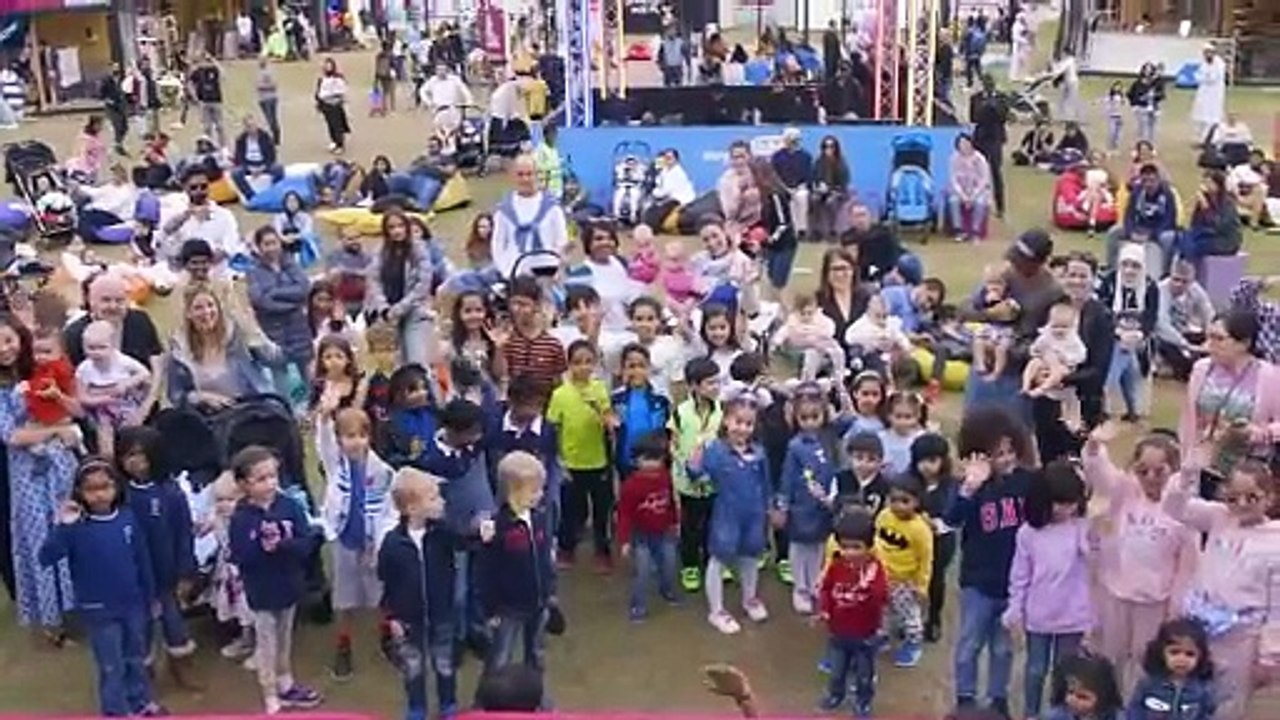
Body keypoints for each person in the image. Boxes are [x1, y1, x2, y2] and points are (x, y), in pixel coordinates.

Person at [38, 458, 164, 717]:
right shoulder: (76, 528)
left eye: (105, 486)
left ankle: (140, 703)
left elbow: (142, 560)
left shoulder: (127, 519)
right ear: (79, 493)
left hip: (133, 605)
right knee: (111, 665)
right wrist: (62, 526)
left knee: (135, 657)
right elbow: (46, 557)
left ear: (116, 487)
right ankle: (115, 711)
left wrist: (150, 597)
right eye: (91, 489)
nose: (99, 494)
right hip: (98, 610)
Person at [1081, 425, 1199, 692]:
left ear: (1173, 470)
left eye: (1160, 471)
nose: (1150, 477)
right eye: (1143, 470)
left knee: (1146, 661)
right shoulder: (1125, 492)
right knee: (1111, 656)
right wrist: (1094, 447)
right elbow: (1102, 476)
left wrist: (1176, 608)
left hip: (1154, 601)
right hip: (1116, 592)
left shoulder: (1183, 510)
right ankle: (1107, 705)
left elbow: (1187, 568)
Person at [1162, 456, 1279, 720]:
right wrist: (1188, 473)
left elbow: (1277, 607)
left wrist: (1269, 655)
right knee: (1190, 694)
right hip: (1200, 628)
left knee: (1228, 702)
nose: (1241, 504)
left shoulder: (1276, 540)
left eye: (1252, 497)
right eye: (1233, 497)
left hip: (1241, 637)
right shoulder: (1217, 517)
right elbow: (1173, 507)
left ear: (1269, 498)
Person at [946, 407, 1034, 716]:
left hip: (1015, 582)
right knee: (969, 644)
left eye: (1010, 451)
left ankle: (998, 699)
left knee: (1003, 648)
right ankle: (965, 697)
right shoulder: (970, 487)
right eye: (997, 454)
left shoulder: (1028, 482)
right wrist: (970, 487)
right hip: (978, 582)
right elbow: (951, 518)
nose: (1006, 459)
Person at [228, 446, 324, 714]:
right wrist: (262, 544)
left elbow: (308, 543)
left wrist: (283, 544)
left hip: (289, 586)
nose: (270, 483)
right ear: (244, 484)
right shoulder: (241, 518)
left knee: (285, 640)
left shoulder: (289, 505)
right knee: (267, 644)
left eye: (273, 476)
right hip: (261, 592)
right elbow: (240, 556)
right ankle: (269, 692)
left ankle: (286, 683)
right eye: (261, 479)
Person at [1003, 462, 1092, 720]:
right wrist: (1015, 607)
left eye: (1072, 503)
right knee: (1035, 669)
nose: (1066, 510)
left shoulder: (1080, 528)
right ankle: (1030, 713)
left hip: (1072, 616)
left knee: (1065, 672)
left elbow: (1094, 555)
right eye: (1059, 503)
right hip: (1038, 615)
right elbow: (1020, 575)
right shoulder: (1028, 534)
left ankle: (1061, 713)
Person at [316, 395, 394, 681]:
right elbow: (322, 442)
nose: (356, 442)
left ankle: (387, 635)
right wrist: (324, 418)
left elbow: (389, 511)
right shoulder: (336, 466)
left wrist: (381, 540)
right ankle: (343, 644)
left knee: (380, 592)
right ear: (338, 439)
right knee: (345, 596)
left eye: (362, 435)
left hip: (373, 542)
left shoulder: (383, 471)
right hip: (345, 540)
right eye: (349, 436)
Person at [378, 468, 457, 720]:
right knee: (413, 667)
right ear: (411, 508)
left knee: (444, 663)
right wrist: (391, 617)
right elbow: (386, 580)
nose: (441, 502)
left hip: (442, 612)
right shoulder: (391, 544)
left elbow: (466, 541)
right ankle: (417, 708)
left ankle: (448, 703)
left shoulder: (443, 533)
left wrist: (483, 531)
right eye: (433, 498)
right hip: (408, 619)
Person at [688, 393, 771, 635]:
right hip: (727, 514)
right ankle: (717, 610)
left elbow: (766, 483)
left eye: (748, 423)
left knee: (751, 556)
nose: (742, 428)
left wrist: (772, 507)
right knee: (719, 557)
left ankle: (750, 598)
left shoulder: (759, 452)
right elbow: (697, 475)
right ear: (726, 421)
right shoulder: (716, 450)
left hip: (754, 515)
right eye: (738, 421)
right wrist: (694, 460)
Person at [478, 451, 558, 684]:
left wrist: (550, 591)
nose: (540, 494)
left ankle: (537, 698)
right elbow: (487, 572)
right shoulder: (499, 527)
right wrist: (490, 609)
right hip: (508, 607)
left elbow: (545, 557)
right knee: (499, 657)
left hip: (538, 600)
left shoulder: (540, 517)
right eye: (534, 490)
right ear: (513, 491)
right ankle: (486, 701)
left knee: (537, 654)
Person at [817, 509, 888, 717]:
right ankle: (835, 695)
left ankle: (863, 702)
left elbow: (882, 597)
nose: (850, 552)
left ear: (869, 546)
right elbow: (826, 589)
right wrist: (824, 610)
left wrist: (869, 586)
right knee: (837, 671)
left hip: (866, 634)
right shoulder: (837, 566)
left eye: (856, 547)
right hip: (838, 631)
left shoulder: (875, 569)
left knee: (865, 674)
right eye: (845, 547)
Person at [165, 286, 274, 412]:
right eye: (198, 308)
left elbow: (273, 359)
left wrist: (252, 329)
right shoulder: (180, 351)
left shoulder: (237, 339)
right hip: (211, 416)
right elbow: (175, 395)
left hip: (251, 407)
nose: (206, 312)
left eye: (210, 305)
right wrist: (200, 397)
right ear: (188, 314)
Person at [616, 431, 680, 620]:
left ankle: (667, 590)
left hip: (665, 532)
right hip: (640, 535)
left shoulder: (666, 477)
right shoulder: (630, 485)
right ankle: (638, 605)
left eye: (657, 458)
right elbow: (624, 514)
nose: (652, 463)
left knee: (669, 564)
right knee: (642, 572)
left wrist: (675, 522)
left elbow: (671, 503)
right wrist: (624, 540)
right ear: (636, 460)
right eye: (647, 458)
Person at [246, 227, 312, 407]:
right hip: (273, 331)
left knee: (307, 373)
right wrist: (291, 301)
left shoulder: (292, 265)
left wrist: (274, 293)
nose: (271, 248)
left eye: (274, 242)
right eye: (266, 244)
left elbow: (304, 289)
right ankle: (287, 409)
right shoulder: (253, 272)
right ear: (259, 247)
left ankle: (310, 408)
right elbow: (260, 300)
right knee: (280, 375)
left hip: (298, 329)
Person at [874, 475, 933, 669]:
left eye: (905, 501)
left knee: (909, 615)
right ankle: (882, 637)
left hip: (906, 581)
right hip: (881, 575)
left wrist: (921, 585)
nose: (899, 506)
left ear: (917, 501)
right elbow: (875, 541)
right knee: (881, 610)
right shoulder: (883, 516)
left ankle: (914, 643)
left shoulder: (920, 530)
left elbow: (925, 559)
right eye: (894, 500)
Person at [365, 211, 435, 368]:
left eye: (400, 226)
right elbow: (373, 280)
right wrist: (383, 307)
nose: (397, 231)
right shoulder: (380, 251)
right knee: (397, 366)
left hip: (413, 311)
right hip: (387, 315)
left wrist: (400, 308)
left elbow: (423, 285)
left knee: (416, 362)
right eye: (391, 227)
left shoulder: (418, 250)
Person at [75, 320, 151, 459]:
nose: (96, 353)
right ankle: (108, 461)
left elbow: (145, 374)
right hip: (101, 409)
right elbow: (82, 397)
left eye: (102, 347)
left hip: (125, 404)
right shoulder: (84, 369)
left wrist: (127, 383)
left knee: (130, 434)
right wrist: (101, 399)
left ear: (113, 346)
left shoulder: (122, 361)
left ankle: (131, 459)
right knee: (104, 433)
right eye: (91, 348)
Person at [490, 155, 569, 278]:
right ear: (513, 176)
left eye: (529, 174)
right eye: (520, 174)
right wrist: (505, 270)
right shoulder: (504, 210)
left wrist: (559, 266)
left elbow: (561, 239)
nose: (525, 179)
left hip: (549, 269)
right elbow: (497, 243)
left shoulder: (552, 206)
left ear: (537, 175)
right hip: (516, 271)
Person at [1126, 618, 1217, 720]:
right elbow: (1134, 710)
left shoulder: (1202, 689)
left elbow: (1206, 715)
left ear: (1200, 657)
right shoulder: (1149, 683)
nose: (1182, 659)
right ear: (1161, 652)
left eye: (1190, 654)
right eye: (1174, 652)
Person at [160, 165, 245, 273]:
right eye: (194, 187)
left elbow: (231, 245)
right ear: (184, 187)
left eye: (203, 186)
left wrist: (209, 259)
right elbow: (163, 244)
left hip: (216, 271)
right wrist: (184, 217)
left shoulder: (224, 215)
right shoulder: (173, 213)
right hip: (182, 272)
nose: (199, 191)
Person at [1107, 163, 1179, 274]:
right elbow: (1128, 215)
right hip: (1140, 227)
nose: (1149, 184)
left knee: (1168, 238)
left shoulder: (1167, 194)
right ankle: (1111, 269)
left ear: (1158, 180)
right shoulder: (1137, 192)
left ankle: (1165, 272)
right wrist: (1131, 232)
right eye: (1145, 181)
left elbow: (1169, 219)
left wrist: (1151, 235)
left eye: (1152, 181)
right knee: (1114, 232)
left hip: (1159, 230)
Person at [1156, 260, 1213, 381]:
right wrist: (1187, 346)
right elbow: (1162, 325)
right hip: (1162, 337)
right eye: (1176, 279)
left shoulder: (1195, 289)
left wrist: (1210, 337)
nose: (1179, 284)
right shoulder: (1160, 291)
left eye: (1184, 281)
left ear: (1191, 281)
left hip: (1184, 332)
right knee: (1184, 367)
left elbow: (1208, 313)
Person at [1181, 169, 1242, 262]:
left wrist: (1206, 208)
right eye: (1204, 182)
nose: (1206, 186)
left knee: (1197, 246)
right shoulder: (1205, 199)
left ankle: (1188, 267)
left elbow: (1220, 225)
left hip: (1226, 240)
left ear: (1218, 185)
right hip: (1209, 234)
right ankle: (1183, 266)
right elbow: (1195, 223)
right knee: (1185, 237)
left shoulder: (1227, 203)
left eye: (1209, 183)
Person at [969, 75, 1009, 217]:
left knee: (996, 172)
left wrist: (993, 105)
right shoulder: (976, 98)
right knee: (976, 172)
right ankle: (976, 202)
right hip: (980, 138)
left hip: (995, 138)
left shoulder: (1002, 98)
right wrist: (985, 106)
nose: (988, 86)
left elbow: (1003, 117)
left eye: (990, 83)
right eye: (986, 83)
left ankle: (1000, 207)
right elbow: (973, 117)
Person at [1042, 654, 1125, 720]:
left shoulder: (1117, 717)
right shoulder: (1057, 715)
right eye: (1070, 692)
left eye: (1082, 697)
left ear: (1102, 698)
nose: (1073, 699)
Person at [948, 134, 993, 243]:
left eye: (966, 143)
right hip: (961, 191)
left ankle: (975, 232)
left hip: (978, 191)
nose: (963, 146)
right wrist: (963, 195)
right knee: (953, 201)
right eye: (961, 144)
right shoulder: (954, 158)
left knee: (980, 202)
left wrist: (973, 196)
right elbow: (953, 179)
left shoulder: (980, 159)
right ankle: (959, 231)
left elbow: (984, 180)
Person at [771, 127, 812, 241]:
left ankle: (801, 230)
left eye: (795, 139)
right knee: (783, 198)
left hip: (800, 187)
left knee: (802, 197)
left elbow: (808, 176)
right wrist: (785, 188)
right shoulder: (777, 156)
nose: (792, 142)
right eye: (789, 139)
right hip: (782, 188)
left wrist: (800, 186)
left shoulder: (805, 156)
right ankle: (790, 231)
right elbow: (775, 175)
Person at [230, 115, 283, 201]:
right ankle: (251, 196)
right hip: (248, 164)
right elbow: (238, 158)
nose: (251, 129)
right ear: (245, 128)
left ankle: (274, 192)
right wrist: (249, 168)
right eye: (248, 127)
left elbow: (272, 155)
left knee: (278, 168)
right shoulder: (240, 140)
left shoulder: (265, 136)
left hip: (263, 163)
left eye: (253, 126)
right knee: (236, 173)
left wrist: (263, 167)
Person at [810, 136, 851, 243]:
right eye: (826, 146)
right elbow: (814, 178)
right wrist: (818, 187)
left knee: (830, 202)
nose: (828, 149)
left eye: (831, 146)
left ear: (836, 148)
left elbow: (844, 182)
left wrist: (832, 189)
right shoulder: (819, 162)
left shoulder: (841, 162)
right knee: (814, 199)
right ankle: (816, 231)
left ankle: (833, 231)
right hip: (821, 191)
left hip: (838, 191)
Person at [187, 52, 225, 147]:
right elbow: (189, 83)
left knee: (220, 126)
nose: (205, 62)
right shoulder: (198, 72)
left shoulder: (214, 70)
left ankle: (223, 147)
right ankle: (209, 146)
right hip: (204, 102)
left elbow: (223, 73)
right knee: (206, 127)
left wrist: (214, 60)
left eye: (207, 60)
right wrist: (195, 97)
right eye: (204, 60)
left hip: (216, 100)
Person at [1192, 44, 1227, 144]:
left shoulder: (1219, 64)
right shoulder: (1204, 63)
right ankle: (1201, 139)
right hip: (1203, 93)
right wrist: (1203, 78)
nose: (1207, 55)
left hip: (1214, 95)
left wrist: (1204, 78)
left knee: (1213, 117)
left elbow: (1213, 78)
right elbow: (1197, 75)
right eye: (1205, 53)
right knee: (1201, 116)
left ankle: (1212, 139)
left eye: (1209, 52)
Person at [316, 58, 351, 154]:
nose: (328, 68)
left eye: (329, 66)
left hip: (335, 104)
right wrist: (319, 103)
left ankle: (340, 144)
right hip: (326, 105)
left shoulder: (338, 78)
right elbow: (318, 92)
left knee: (337, 125)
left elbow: (341, 91)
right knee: (330, 124)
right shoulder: (322, 79)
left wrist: (336, 97)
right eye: (326, 66)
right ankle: (334, 141)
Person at [1127, 63, 1165, 145]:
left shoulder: (1157, 82)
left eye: (1150, 69)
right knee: (1141, 127)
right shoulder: (1138, 82)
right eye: (1146, 69)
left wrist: (1155, 95)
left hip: (1153, 108)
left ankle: (1150, 145)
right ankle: (1139, 145)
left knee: (1152, 127)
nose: (1148, 71)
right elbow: (1130, 94)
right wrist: (1134, 104)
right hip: (1141, 108)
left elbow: (1162, 94)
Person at [255, 58, 281, 145]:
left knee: (271, 119)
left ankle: (276, 136)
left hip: (270, 98)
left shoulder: (268, 73)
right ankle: (274, 136)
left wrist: (262, 87)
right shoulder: (258, 72)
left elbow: (274, 85)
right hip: (262, 99)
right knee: (268, 119)